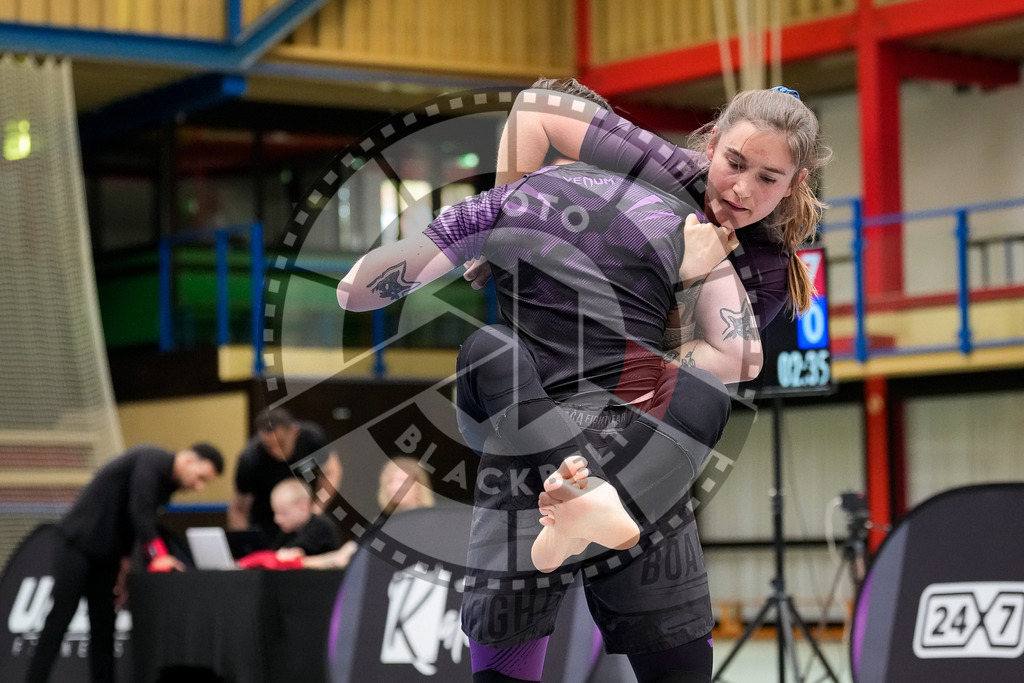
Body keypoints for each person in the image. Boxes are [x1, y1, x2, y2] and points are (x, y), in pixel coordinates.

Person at [457, 81, 831, 682]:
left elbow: (733, 361)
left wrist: (688, 280)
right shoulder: (663, 168)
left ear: (796, 183)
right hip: (529, 446)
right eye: (734, 164)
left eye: (768, 178)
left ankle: (595, 500)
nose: (741, 189)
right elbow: (535, 108)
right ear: (710, 145)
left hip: (633, 460)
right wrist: (505, 218)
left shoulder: (761, 266)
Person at [26, 443, 224, 683]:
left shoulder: (167, 486)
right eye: (200, 477)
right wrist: (159, 555)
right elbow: (138, 511)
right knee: (60, 618)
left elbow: (130, 525)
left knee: (104, 627)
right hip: (75, 545)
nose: (198, 486)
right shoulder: (153, 461)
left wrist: (125, 567)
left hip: (106, 555)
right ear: (188, 460)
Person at [299, 457, 436, 570]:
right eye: (391, 481)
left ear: (420, 485)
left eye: (403, 481)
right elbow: (345, 555)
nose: (396, 487)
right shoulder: (381, 522)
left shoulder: (433, 521)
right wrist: (299, 562)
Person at [227, 406, 340, 538]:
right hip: (265, 520)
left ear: (294, 432)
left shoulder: (312, 438)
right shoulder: (250, 458)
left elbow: (332, 472)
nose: (276, 451)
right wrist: (244, 540)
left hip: (305, 518)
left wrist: (318, 507)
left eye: (281, 443)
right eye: (269, 446)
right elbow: (239, 508)